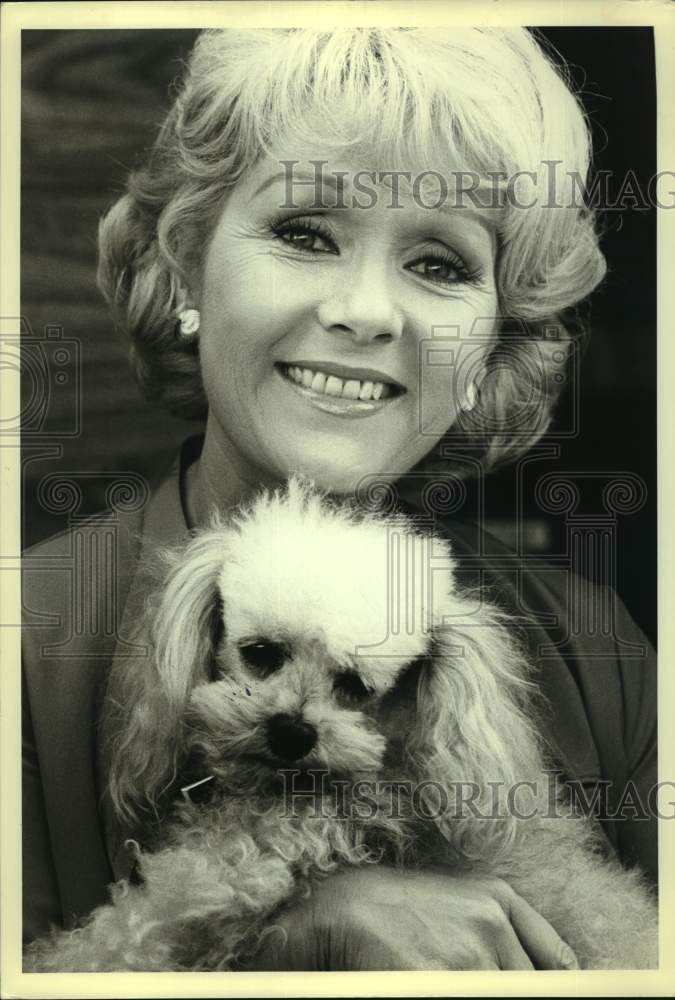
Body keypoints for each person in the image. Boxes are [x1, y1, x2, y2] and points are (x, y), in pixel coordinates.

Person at [22, 27, 656, 971]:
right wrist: (293, 935)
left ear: (490, 342)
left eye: (439, 264)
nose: (367, 311)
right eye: (304, 232)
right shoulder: (27, 641)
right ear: (188, 264)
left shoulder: (594, 648)